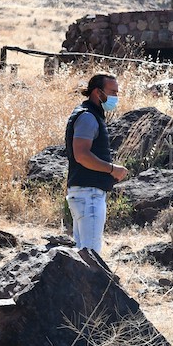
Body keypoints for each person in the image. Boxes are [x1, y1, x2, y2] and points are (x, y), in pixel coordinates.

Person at [65, 72, 129, 253]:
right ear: (97, 92)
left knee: (82, 253)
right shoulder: (88, 117)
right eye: (112, 92)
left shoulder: (90, 115)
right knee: (91, 255)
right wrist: (111, 169)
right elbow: (82, 155)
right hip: (89, 195)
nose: (115, 97)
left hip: (84, 193)